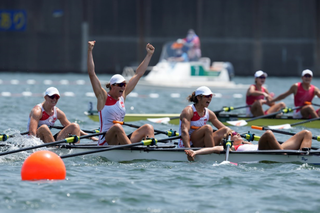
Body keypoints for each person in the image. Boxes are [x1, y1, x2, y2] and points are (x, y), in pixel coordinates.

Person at [87, 40, 155, 145]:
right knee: (117, 127)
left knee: (148, 128)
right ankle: (129, 150)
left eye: (124, 85)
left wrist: (149, 55)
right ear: (112, 86)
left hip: (120, 139)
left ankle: (151, 151)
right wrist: (90, 51)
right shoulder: (103, 97)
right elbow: (92, 73)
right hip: (106, 141)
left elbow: (138, 74)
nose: (123, 87)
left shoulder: (123, 95)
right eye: (120, 85)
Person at [185, 129, 312, 161]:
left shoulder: (246, 143)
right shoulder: (232, 147)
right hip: (266, 150)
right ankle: (287, 157)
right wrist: (195, 152)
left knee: (306, 133)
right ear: (229, 140)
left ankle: (304, 155)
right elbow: (212, 149)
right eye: (234, 134)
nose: (237, 134)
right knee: (268, 134)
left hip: (275, 149)